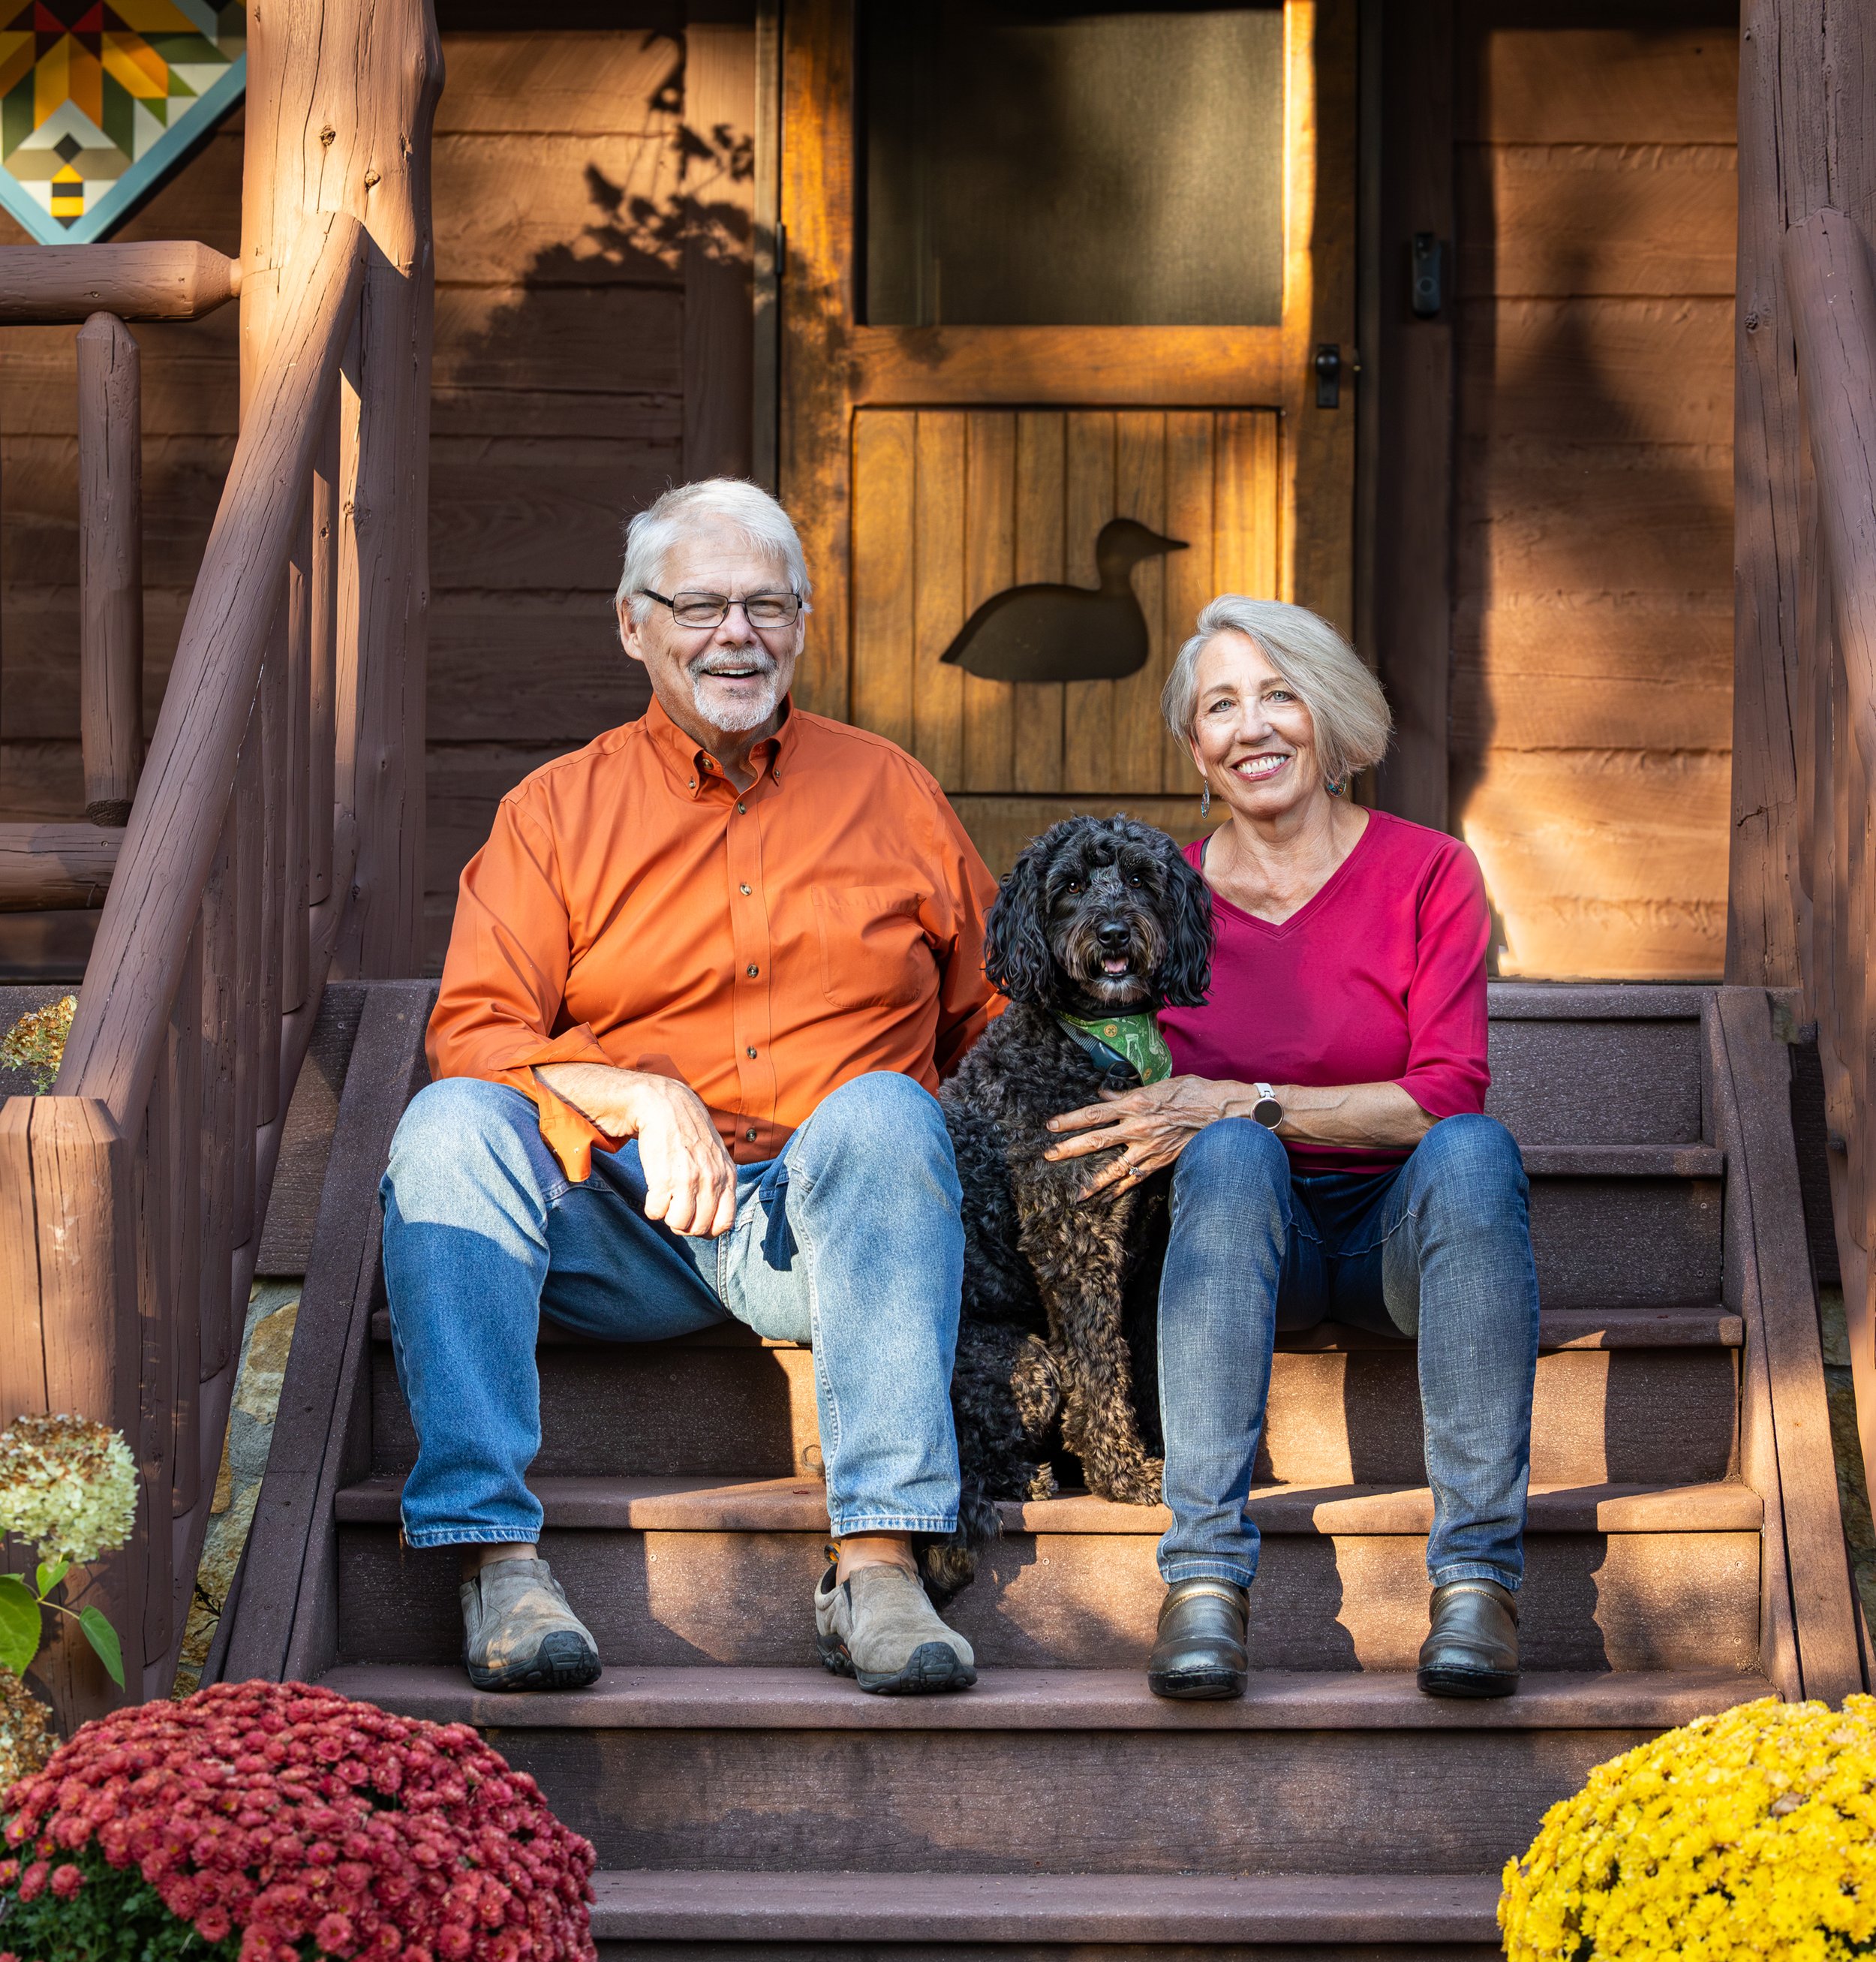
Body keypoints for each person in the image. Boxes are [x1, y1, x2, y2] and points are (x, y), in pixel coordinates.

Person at [380, 479, 1000, 1698]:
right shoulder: (554, 811)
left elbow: (993, 1018)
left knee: (888, 1107)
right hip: (618, 1221)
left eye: (766, 605)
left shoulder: (894, 792)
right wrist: (632, 1093)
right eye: (703, 604)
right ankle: (499, 1563)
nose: (737, 634)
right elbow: (473, 1031)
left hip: (832, 1230)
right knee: (450, 1126)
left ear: (804, 623)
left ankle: (879, 1563)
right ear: (633, 623)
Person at [1043, 597, 1537, 1703]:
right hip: (1233, 1240)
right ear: (1194, 747)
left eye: (1280, 694)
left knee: (1472, 1151)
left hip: (1401, 1237)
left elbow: (1441, 1092)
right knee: (1223, 1157)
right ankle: (1205, 1582)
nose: (1254, 726)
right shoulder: (1153, 895)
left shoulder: (1430, 873)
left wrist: (1243, 1098)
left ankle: (1475, 1582)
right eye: (1222, 705)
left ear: (1332, 716)